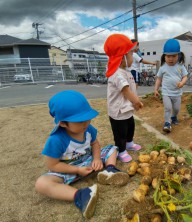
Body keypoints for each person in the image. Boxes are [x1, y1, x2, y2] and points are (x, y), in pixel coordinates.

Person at [35, 90, 129, 219]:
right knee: (42, 183)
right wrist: (77, 170)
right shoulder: (56, 140)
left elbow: (95, 144)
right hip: (68, 170)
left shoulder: (88, 129)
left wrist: (96, 158)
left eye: (87, 118)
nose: (86, 123)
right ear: (62, 123)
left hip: (89, 162)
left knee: (112, 148)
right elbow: (53, 165)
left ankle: (109, 170)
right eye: (79, 121)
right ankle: (81, 195)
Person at [104, 34, 144, 163]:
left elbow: (131, 89)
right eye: (131, 54)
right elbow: (126, 90)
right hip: (118, 111)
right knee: (120, 133)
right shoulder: (116, 74)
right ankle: (121, 150)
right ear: (122, 58)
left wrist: (134, 101)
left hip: (125, 108)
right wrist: (136, 102)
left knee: (130, 127)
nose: (133, 57)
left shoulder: (125, 71)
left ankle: (129, 143)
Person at [154, 39, 188, 133]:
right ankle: (167, 123)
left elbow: (185, 77)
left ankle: (174, 117)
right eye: (168, 56)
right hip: (166, 92)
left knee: (176, 109)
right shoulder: (163, 67)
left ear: (178, 55)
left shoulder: (180, 66)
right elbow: (159, 79)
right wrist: (156, 89)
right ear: (164, 56)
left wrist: (182, 83)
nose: (171, 58)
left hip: (177, 93)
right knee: (168, 108)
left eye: (174, 56)